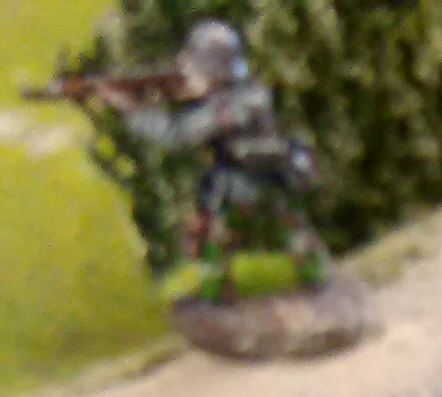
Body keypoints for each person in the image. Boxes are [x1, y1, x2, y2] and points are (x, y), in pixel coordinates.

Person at [70, 21, 331, 301]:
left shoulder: (242, 101)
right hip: (240, 180)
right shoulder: (233, 94)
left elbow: (178, 134)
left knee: (264, 235)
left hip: (258, 179)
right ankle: (217, 296)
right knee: (220, 242)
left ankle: (318, 285)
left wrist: (132, 110)